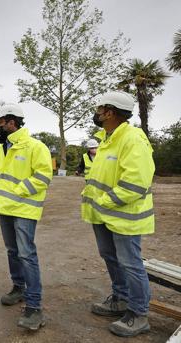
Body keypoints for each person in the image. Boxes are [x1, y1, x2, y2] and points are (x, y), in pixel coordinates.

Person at [82, 91, 155, 337]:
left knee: (131, 264)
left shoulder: (132, 138)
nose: (97, 113)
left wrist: (104, 201)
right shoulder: (107, 139)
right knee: (111, 258)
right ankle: (121, 299)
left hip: (124, 216)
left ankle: (138, 313)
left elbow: (136, 182)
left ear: (110, 112)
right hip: (104, 214)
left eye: (100, 109)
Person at [0, 103, 53, 331]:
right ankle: (19, 288)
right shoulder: (2, 149)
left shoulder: (35, 146)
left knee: (27, 255)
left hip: (24, 209)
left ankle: (34, 307)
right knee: (12, 251)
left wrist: (19, 191)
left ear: (12, 121)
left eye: (0, 122)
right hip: (4, 208)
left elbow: (44, 176)